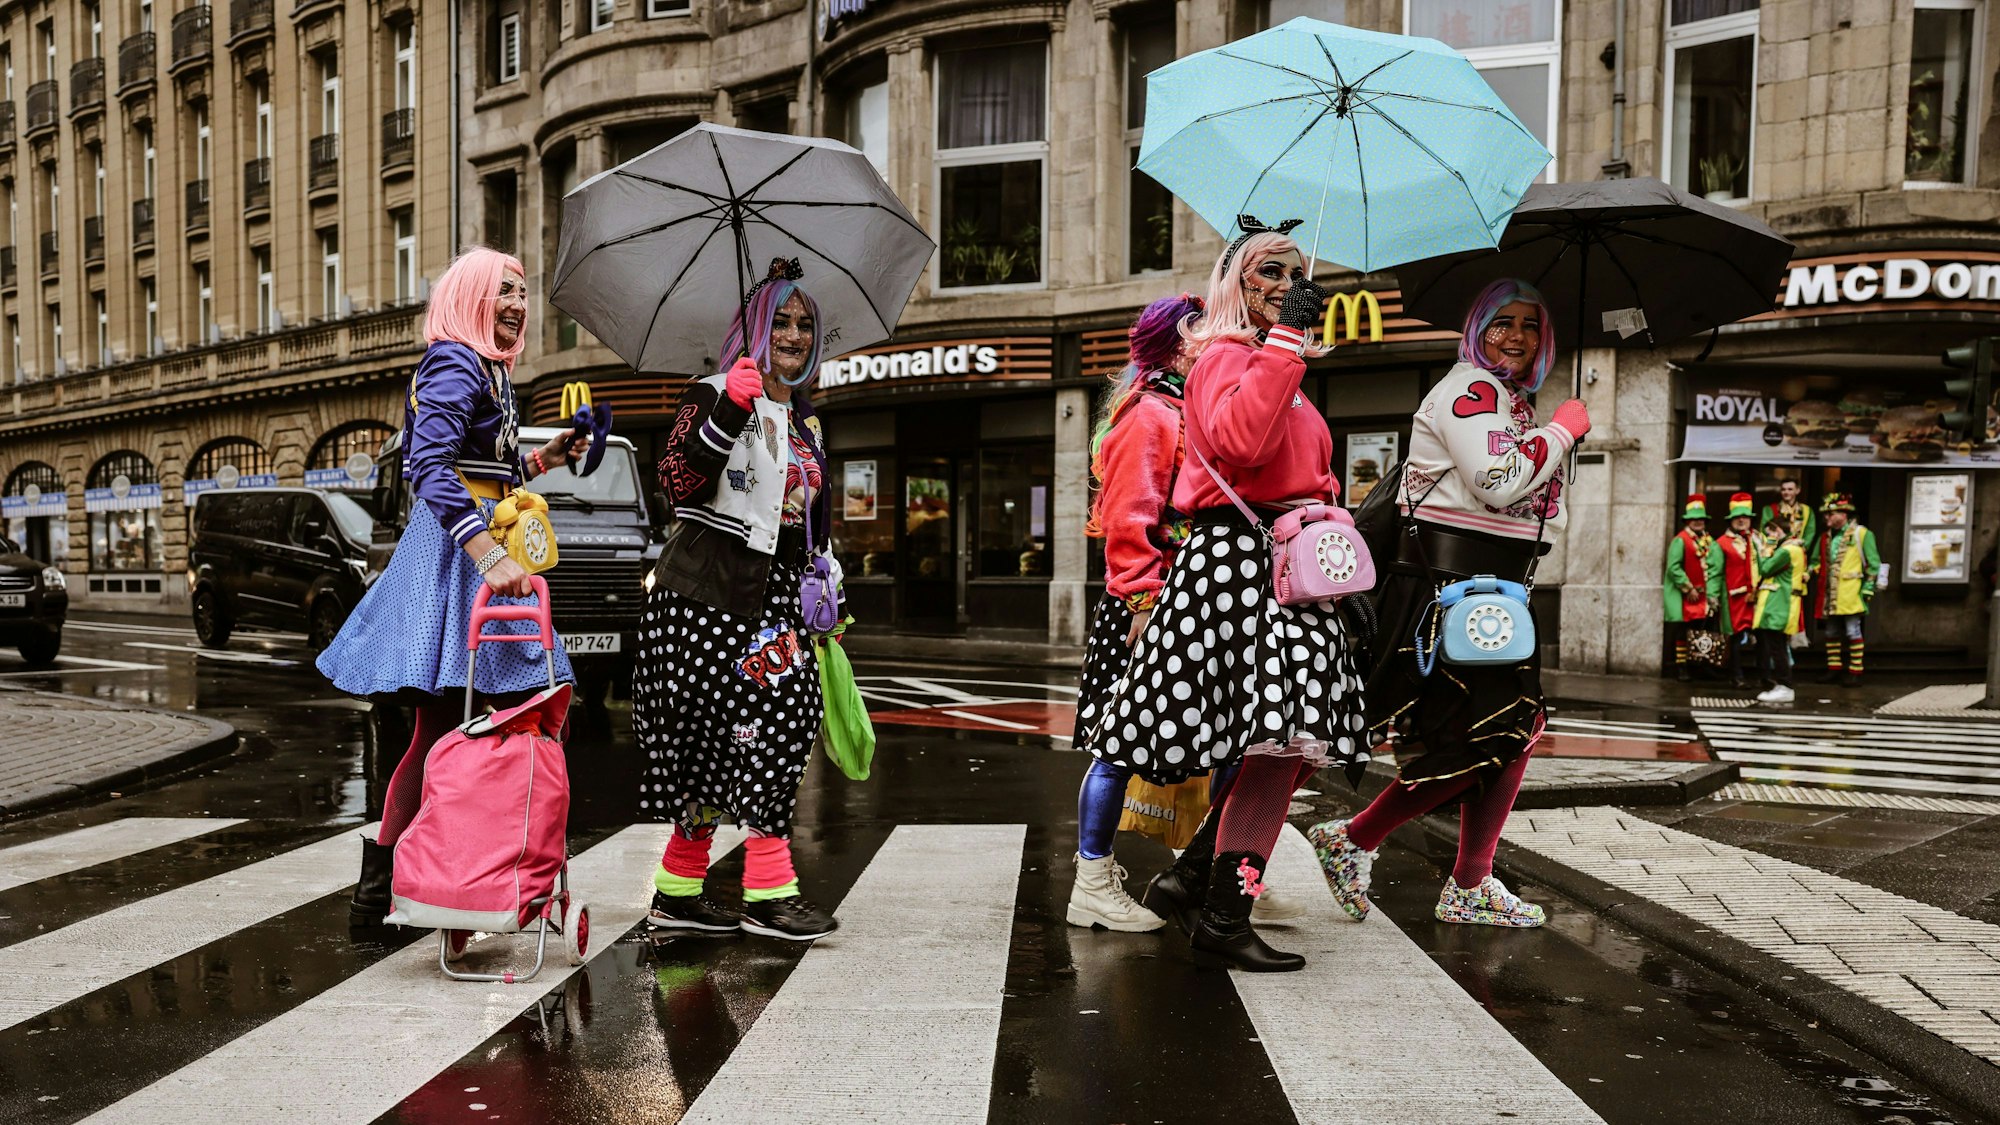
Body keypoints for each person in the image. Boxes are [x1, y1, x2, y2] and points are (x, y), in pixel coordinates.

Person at [1084, 219, 1368, 972]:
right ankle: (1221, 911)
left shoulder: (1280, 367)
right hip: (1241, 570)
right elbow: (1242, 442)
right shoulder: (1223, 358)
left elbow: (1309, 475)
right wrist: (1286, 344)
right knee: (1277, 746)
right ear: (1234, 283)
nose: (1285, 285)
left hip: (1288, 573)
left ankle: (1194, 882)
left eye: (1295, 273)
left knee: (1286, 748)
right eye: (1269, 271)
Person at [1310, 277, 1589, 931]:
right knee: (1499, 730)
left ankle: (1456, 874)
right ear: (1476, 329)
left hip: (1488, 593)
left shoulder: (1510, 405)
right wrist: (1563, 431)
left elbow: (1543, 513)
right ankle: (1334, 845)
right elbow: (1499, 481)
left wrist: (1543, 439)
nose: (1517, 336)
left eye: (1531, 324)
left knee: (1501, 732)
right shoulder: (1473, 390)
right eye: (1502, 322)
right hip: (1445, 592)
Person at [318, 246, 586, 928]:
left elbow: (485, 470)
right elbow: (430, 465)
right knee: (506, 712)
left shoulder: (488, 369)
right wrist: (487, 553)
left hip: (472, 548)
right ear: (469, 296)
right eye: (504, 290)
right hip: (457, 555)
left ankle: (393, 889)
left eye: (522, 292)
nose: (518, 303)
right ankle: (460, 875)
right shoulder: (454, 361)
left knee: (448, 726)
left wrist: (544, 459)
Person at [630, 259, 845, 942]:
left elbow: (812, 524)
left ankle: (686, 889)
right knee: (715, 743)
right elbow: (677, 483)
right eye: (780, 321)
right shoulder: (713, 392)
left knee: (781, 726)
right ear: (753, 328)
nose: (794, 335)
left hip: (774, 599)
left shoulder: (806, 421)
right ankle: (745, 892)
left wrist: (827, 593)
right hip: (704, 597)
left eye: (804, 323)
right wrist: (729, 411)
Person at [1067, 294, 1203, 934]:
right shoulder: (1149, 414)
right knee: (1119, 747)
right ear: (1175, 345)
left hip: (1186, 600)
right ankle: (1092, 883)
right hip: (1145, 606)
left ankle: (1205, 872)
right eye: (1203, 332)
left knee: (1194, 744)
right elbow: (1128, 519)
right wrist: (1144, 600)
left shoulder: (1187, 408)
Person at [1810, 492, 1879, 685]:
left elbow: (1874, 564)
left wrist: (1868, 587)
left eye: (1830, 514)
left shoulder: (1862, 534)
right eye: (1826, 514)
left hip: (1851, 593)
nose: (1827, 517)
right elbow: (1815, 560)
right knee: (1831, 632)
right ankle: (1834, 668)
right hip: (1830, 593)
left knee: (1852, 631)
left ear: (1844, 514)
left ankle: (1856, 670)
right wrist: (1811, 570)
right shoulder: (1824, 537)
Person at [1663, 495, 1726, 681]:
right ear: (1687, 521)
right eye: (1694, 519)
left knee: (1702, 631)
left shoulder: (1709, 541)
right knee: (1683, 632)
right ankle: (1681, 667)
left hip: (1703, 596)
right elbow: (1673, 568)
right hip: (1685, 596)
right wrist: (1688, 588)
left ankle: (1700, 664)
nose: (1698, 522)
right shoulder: (1680, 540)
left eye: (1701, 519)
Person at [1750, 513, 1808, 704]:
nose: (1769, 538)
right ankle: (1783, 684)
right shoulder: (1791, 548)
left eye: (1770, 533)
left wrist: (1761, 549)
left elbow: (1765, 569)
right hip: (1779, 603)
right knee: (1777, 645)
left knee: (1777, 646)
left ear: (1778, 530)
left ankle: (1785, 685)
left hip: (1780, 604)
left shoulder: (1787, 551)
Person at [1716, 493, 1760, 688]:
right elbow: (1715, 572)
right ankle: (1736, 676)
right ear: (1731, 520)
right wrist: (1712, 597)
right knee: (1734, 638)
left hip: (1757, 596)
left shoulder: (1759, 539)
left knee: (1762, 636)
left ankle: (1763, 675)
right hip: (1734, 598)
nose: (1742, 520)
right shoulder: (1721, 543)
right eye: (1737, 517)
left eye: (1745, 517)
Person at [1761, 478, 1817, 546]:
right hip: (1778, 549)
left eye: (1790, 489)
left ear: (1798, 490)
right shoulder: (1770, 510)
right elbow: (1764, 533)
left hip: (1799, 549)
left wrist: (1802, 547)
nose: (1786, 492)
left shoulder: (1807, 510)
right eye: (1783, 489)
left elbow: (1810, 533)